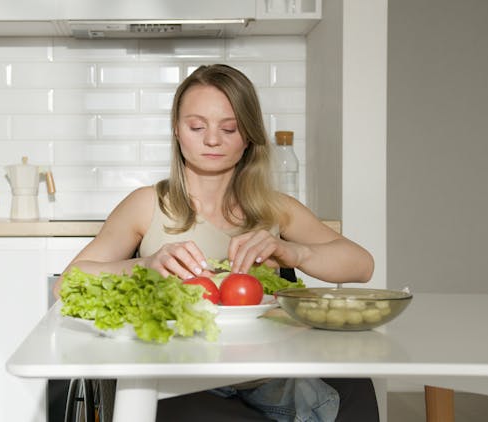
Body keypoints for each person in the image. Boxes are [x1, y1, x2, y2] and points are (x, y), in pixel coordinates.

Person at [53, 64, 378, 421]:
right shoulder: (148, 204)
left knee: (356, 383)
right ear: (176, 130)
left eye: (229, 128)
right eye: (196, 127)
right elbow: (68, 283)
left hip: (267, 375)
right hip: (183, 379)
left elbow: (361, 265)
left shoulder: (277, 208)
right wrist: (144, 266)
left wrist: (295, 252)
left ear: (250, 136)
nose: (212, 140)